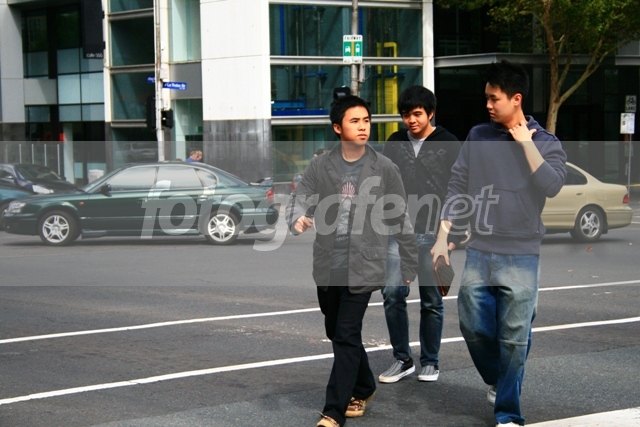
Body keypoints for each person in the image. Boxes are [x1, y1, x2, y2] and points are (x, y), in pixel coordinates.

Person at [432, 60, 567, 427]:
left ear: (516, 98)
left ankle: (508, 413)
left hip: (522, 254)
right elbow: (457, 185)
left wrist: (526, 144)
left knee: (514, 337)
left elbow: (553, 186)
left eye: (494, 98)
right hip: (480, 249)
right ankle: (500, 379)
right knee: (473, 327)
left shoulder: (545, 142)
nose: (488, 105)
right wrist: (443, 237)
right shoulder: (478, 136)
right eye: (487, 98)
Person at [286, 95, 418, 427]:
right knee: (336, 330)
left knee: (346, 332)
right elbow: (301, 197)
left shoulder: (384, 167)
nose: (362, 127)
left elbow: (400, 217)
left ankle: (333, 411)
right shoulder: (321, 165)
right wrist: (298, 217)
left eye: (366, 120)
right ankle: (364, 384)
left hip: (365, 263)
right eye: (354, 121)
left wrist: (409, 263)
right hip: (329, 263)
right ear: (337, 127)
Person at [378, 86, 461, 384]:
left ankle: (430, 361)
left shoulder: (449, 143)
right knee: (392, 293)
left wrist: (452, 236)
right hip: (398, 232)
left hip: (434, 232)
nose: (411, 120)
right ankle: (402, 359)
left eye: (417, 114)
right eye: (405, 115)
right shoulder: (394, 142)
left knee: (431, 299)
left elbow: (459, 189)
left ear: (430, 113)